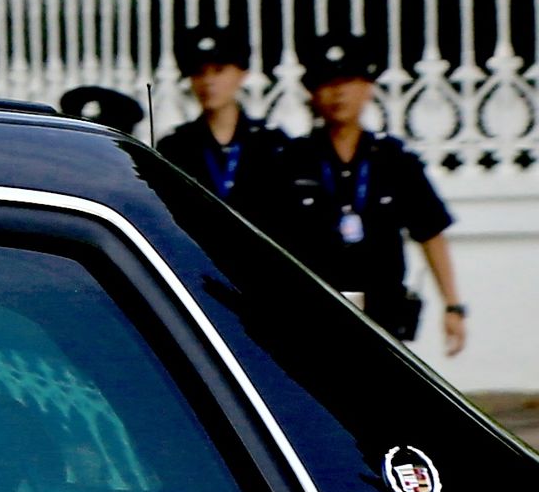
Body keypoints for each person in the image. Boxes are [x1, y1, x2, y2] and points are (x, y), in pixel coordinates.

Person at [277, 31, 466, 355]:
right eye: (327, 82)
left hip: (383, 313)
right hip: (313, 313)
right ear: (312, 92)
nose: (338, 93)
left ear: (368, 87)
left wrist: (453, 306)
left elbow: (430, 230)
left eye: (348, 80)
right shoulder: (292, 160)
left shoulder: (393, 158)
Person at [156, 22, 289, 227]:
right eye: (199, 72)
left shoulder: (271, 144)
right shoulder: (175, 147)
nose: (208, 82)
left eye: (218, 71)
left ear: (241, 74)